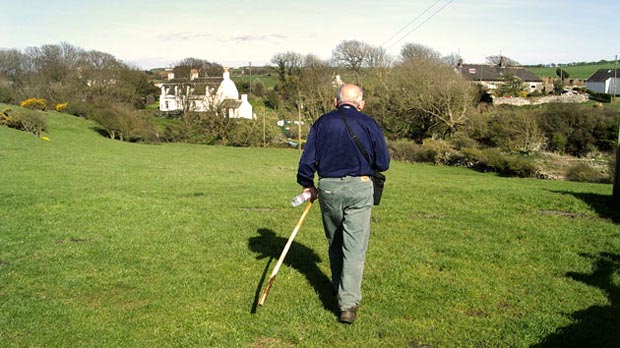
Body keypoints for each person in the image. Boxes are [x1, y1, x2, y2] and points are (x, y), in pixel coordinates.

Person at [296, 83, 390, 324]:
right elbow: (383, 162)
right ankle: (347, 304)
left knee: (335, 241)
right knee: (355, 246)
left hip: (329, 187)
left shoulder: (322, 123)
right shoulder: (369, 123)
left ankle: (339, 291)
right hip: (360, 187)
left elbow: (307, 161)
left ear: (335, 102)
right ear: (361, 104)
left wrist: (308, 184)